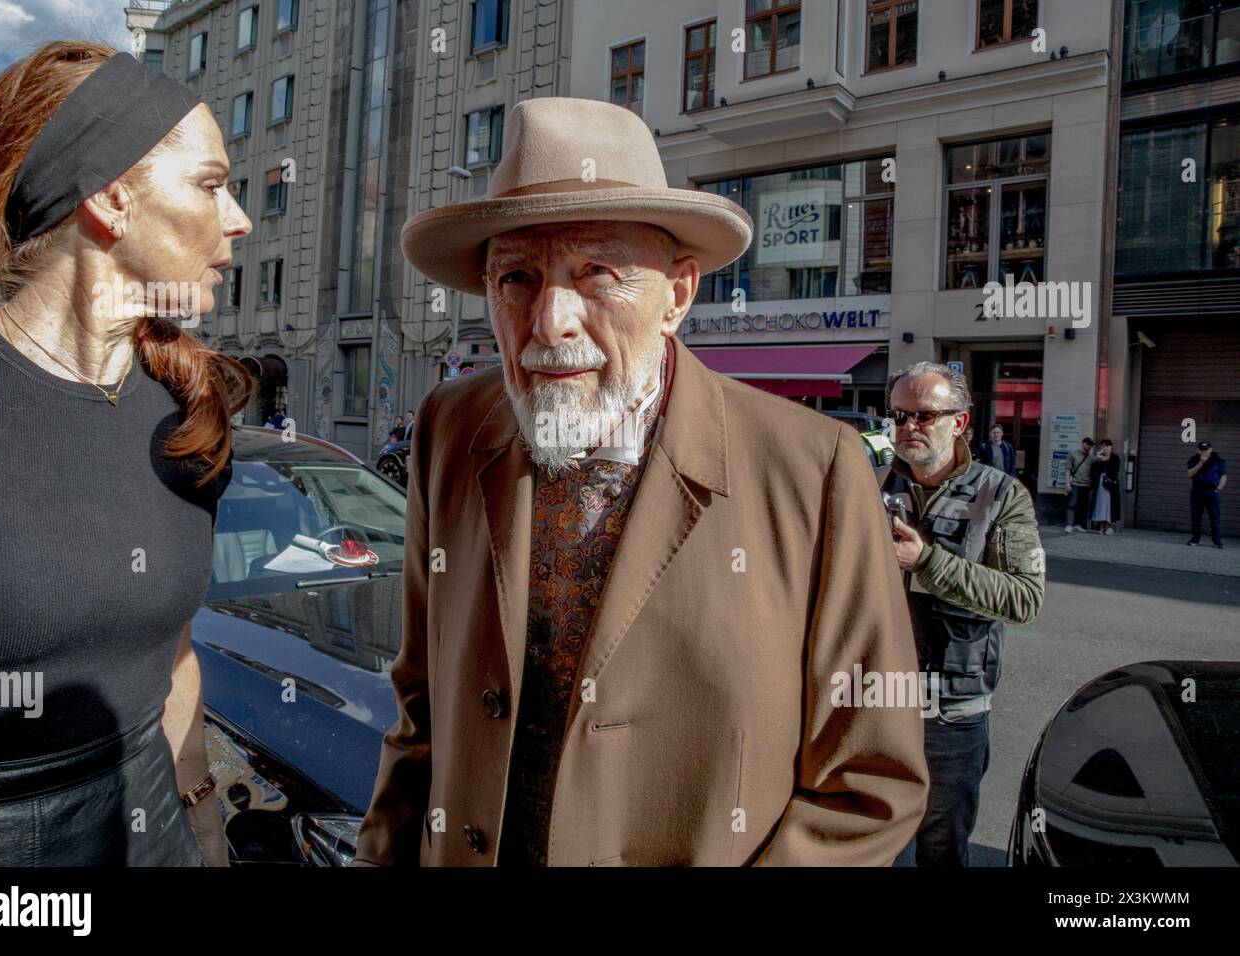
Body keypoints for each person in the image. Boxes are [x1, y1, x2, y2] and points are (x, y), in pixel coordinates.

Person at [353, 96, 928, 867]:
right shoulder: (450, 430)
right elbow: (422, 709)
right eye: (516, 277)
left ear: (678, 296)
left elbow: (868, 782)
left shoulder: (814, 470)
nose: (550, 318)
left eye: (597, 273)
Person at [0, 43, 253, 865]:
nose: (240, 219)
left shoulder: (185, 411)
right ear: (111, 202)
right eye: (212, 185)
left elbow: (172, 653)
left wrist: (205, 824)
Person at [880, 362, 1045, 867]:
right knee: (867, 841)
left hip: (950, 710)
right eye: (900, 415)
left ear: (961, 421)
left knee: (941, 845)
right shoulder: (868, 484)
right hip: (871, 700)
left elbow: (1023, 598)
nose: (909, 426)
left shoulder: (1001, 495)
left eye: (925, 415)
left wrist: (926, 562)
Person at [1187, 441, 1227, 548]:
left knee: (1214, 517)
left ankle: (1217, 541)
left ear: (1211, 450)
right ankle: (1195, 539)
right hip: (1197, 491)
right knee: (1196, 517)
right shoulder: (1194, 459)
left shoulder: (1217, 460)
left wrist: (1218, 489)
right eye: (1201, 450)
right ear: (1198, 450)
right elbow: (1190, 474)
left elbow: (1223, 476)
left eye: (1206, 450)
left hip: (1212, 492)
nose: (1203, 452)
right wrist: (1200, 463)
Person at [1064, 436, 1096, 533]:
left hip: (1086, 485)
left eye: (1091, 445)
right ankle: (1069, 525)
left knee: (1083, 507)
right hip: (1075, 484)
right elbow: (1068, 469)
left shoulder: (1092, 458)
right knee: (1072, 505)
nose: (1090, 447)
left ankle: (1079, 525)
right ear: (1083, 443)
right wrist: (1067, 483)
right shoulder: (1073, 454)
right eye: (1088, 444)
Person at [1089, 439, 1121, 535]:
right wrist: (1097, 458)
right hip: (1100, 484)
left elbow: (1114, 470)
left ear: (1110, 447)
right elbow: (1093, 469)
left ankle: (1109, 526)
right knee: (1100, 505)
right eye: (1103, 446)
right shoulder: (1100, 458)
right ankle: (1102, 526)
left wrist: (1106, 460)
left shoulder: (1115, 458)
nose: (1104, 448)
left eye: (1106, 446)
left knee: (1109, 505)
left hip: (1110, 486)